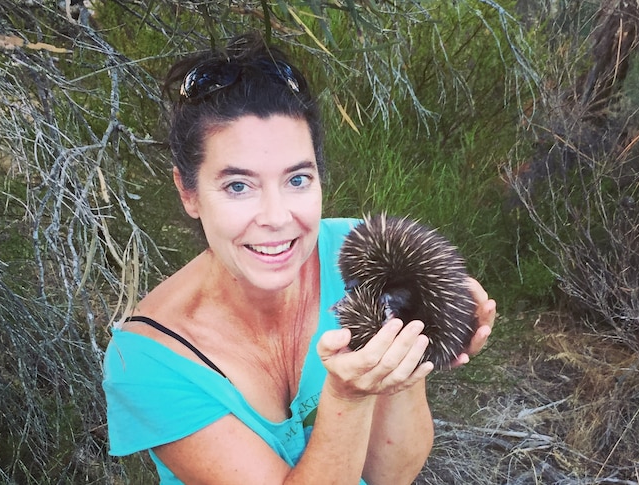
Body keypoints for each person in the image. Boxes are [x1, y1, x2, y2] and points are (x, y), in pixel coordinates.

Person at [102, 31, 497, 485]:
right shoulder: (149, 362)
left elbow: (391, 476)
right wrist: (346, 399)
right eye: (238, 185)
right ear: (188, 192)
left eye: (297, 180)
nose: (276, 218)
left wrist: (411, 358)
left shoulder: (366, 253)